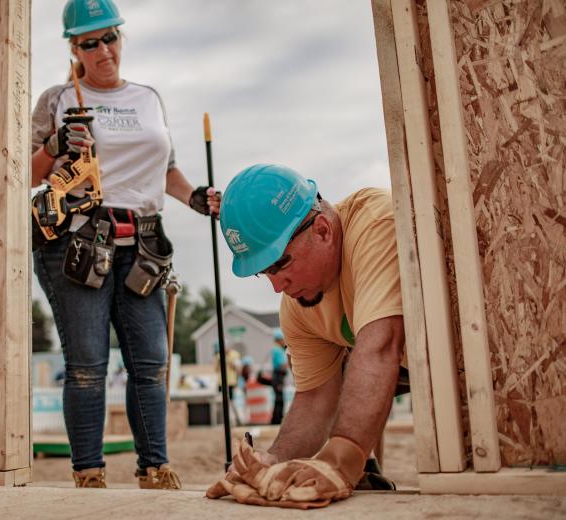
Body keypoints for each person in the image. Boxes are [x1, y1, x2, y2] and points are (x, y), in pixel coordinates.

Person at [31, 0, 220, 490]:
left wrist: (197, 197)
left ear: (120, 37)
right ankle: (89, 473)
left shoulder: (147, 98)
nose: (103, 50)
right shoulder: (58, 98)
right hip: (79, 240)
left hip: (142, 242)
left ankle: (154, 466)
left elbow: (166, 168)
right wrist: (54, 147)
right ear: (74, 47)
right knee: (89, 364)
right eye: (89, 42)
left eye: (109, 37)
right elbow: (21, 173)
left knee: (151, 362)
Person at [207, 164, 405, 509]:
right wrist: (273, 459)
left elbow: (381, 345)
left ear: (324, 230)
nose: (276, 285)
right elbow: (316, 397)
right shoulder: (297, 304)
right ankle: (365, 466)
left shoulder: (376, 224)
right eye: (263, 273)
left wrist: (340, 460)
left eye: (280, 263)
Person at [256, 328, 288, 424]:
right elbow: (282, 365)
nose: (284, 341)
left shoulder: (276, 349)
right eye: (283, 339)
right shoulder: (278, 350)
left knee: (278, 398)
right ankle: (277, 420)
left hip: (277, 376)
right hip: (278, 376)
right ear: (279, 340)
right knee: (279, 399)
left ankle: (276, 419)